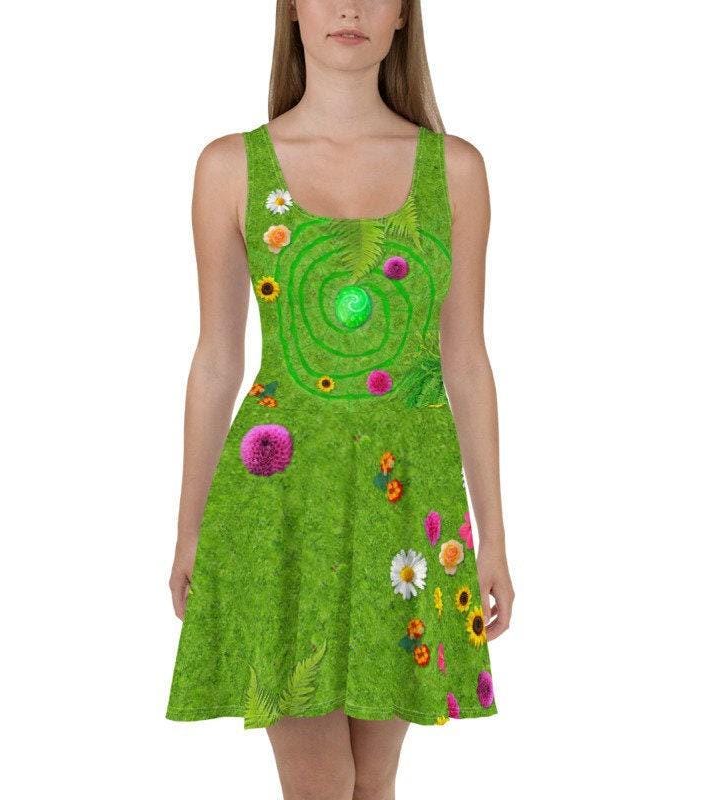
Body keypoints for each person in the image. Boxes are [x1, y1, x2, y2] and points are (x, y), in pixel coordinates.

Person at [166, 1, 515, 797]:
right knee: (319, 781)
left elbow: (465, 360)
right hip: (280, 503)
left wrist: (493, 536)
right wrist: (190, 531)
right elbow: (217, 359)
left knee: (372, 783)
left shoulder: (455, 171)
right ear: (292, 11)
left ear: (403, 18)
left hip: (405, 503)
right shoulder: (231, 168)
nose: (349, 7)